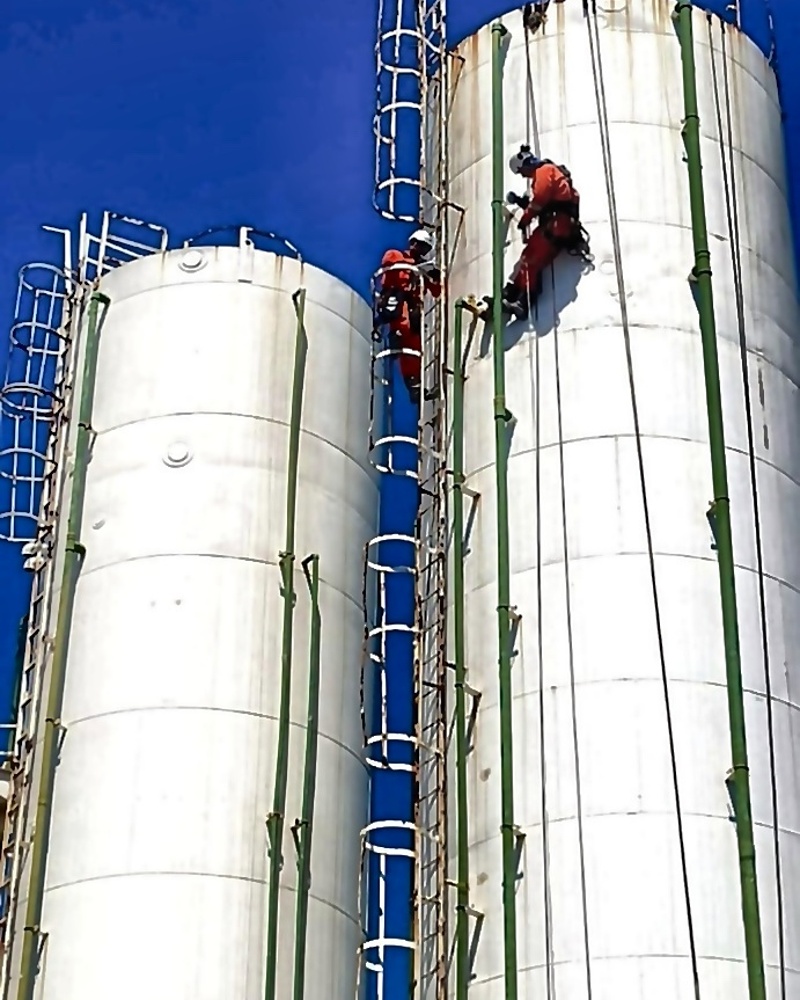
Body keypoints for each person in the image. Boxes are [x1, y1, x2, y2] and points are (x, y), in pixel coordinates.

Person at [485, 146, 590, 320]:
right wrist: (524, 204)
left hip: (556, 226)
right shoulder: (548, 173)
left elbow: (540, 200)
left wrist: (526, 218)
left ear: (525, 164)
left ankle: (523, 303)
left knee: (531, 261)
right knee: (528, 258)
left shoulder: (543, 171)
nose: (523, 176)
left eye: (521, 171)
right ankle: (511, 293)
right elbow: (544, 201)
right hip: (557, 226)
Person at [375, 229, 442, 404]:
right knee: (402, 327)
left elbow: (436, 292)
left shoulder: (423, 269)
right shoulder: (396, 255)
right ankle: (394, 338)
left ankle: (415, 388)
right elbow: (388, 264)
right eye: (419, 245)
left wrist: (434, 276)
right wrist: (412, 266)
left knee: (414, 347)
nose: (419, 249)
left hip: (413, 306)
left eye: (424, 247)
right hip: (397, 299)